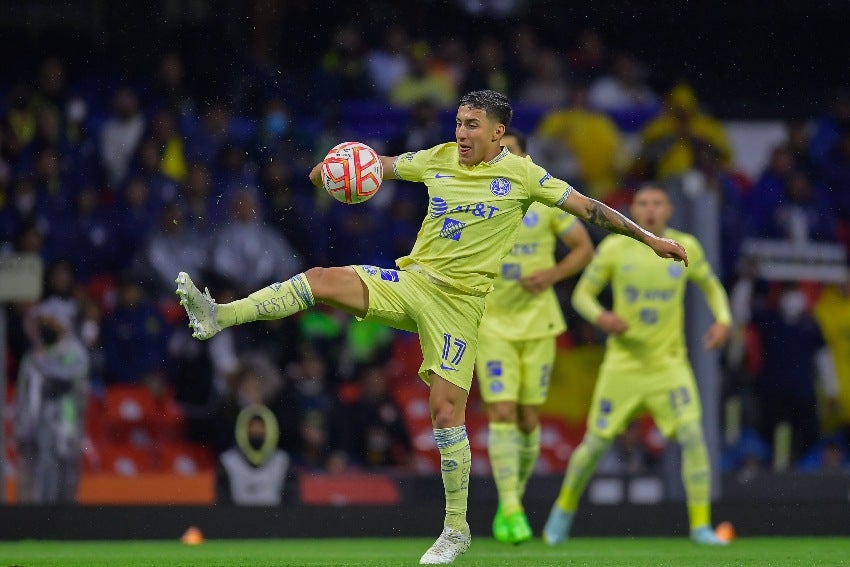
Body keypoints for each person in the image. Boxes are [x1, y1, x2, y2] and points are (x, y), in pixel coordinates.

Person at [175, 90, 688, 564]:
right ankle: (220, 315)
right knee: (321, 278)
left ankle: (456, 529)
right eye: (459, 123)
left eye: (471, 125)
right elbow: (381, 165)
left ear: (498, 134)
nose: (461, 133)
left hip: (459, 306)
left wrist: (652, 240)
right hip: (413, 281)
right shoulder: (440, 156)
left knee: (446, 412)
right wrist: (335, 170)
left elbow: (592, 210)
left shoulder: (526, 175)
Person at [543, 184, 730, 546]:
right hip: (624, 365)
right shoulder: (616, 247)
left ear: (669, 209)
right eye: (643, 203)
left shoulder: (685, 246)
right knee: (595, 445)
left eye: (657, 203)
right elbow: (582, 295)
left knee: (693, 437)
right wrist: (603, 318)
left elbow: (711, 285)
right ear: (633, 208)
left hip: (668, 366)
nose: (650, 210)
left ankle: (702, 526)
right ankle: (561, 515)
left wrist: (722, 319)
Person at [474, 128, 594, 544]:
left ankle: (514, 500)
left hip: (539, 323)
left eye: (508, 151)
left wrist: (553, 274)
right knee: (503, 413)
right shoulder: (474, 202)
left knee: (528, 419)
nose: (501, 157)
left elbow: (583, 248)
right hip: (491, 323)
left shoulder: (545, 200)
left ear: (524, 157)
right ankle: (509, 507)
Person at [14, 299, 90, 503]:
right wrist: (22, 426)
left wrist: (42, 364)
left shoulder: (74, 353)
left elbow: (64, 377)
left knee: (63, 483)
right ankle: (34, 527)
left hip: (65, 428)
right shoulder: (31, 357)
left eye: (51, 322)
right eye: (42, 323)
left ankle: (61, 528)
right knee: (32, 485)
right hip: (34, 429)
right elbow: (23, 395)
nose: (45, 328)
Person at [216, 404, 293, 506]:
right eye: (252, 426)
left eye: (261, 427)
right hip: (237, 520)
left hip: (275, 521)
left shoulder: (283, 461)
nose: (256, 431)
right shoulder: (228, 461)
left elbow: (292, 504)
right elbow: (222, 504)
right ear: (243, 430)